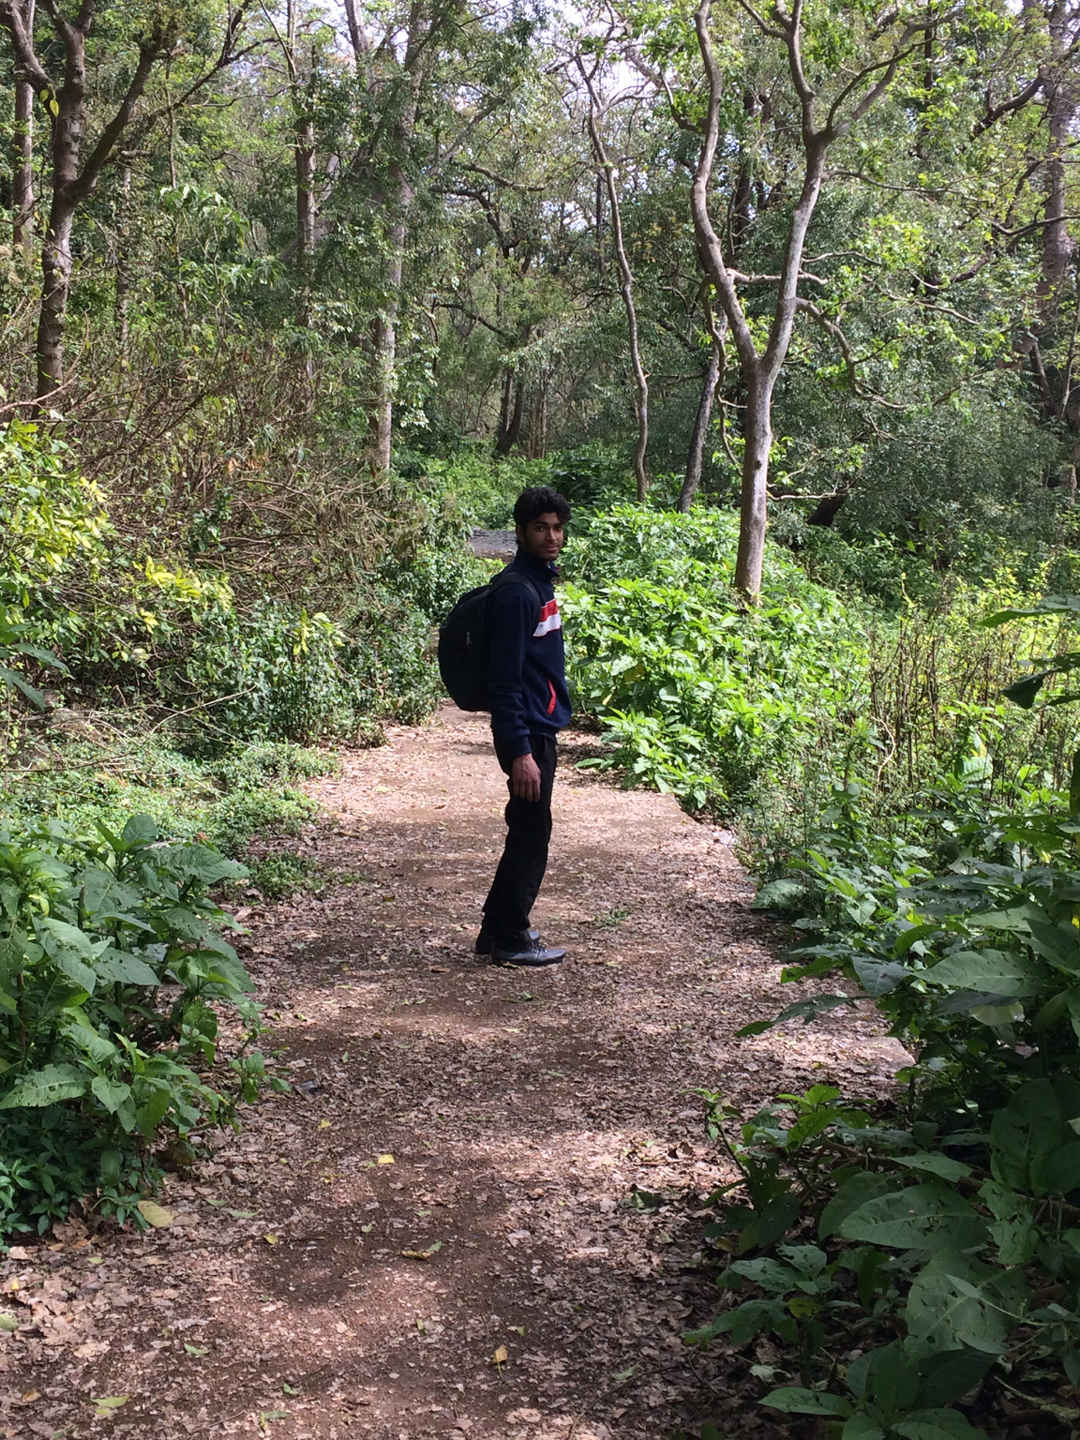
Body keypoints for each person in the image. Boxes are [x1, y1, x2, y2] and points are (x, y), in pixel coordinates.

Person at [476, 486, 572, 967]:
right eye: (540, 528)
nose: (551, 537)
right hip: (527, 732)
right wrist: (520, 752)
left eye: (557, 527)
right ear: (520, 531)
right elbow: (505, 681)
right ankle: (512, 936)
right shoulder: (517, 592)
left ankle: (495, 931)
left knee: (526, 827)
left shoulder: (539, 584)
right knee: (532, 830)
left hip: (539, 727)